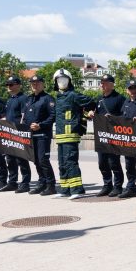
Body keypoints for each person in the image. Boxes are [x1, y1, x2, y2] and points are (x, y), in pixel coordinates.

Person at [52, 68, 94, 199]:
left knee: (71, 162)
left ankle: (77, 190)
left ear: (69, 81)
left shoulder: (73, 95)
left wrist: (88, 114)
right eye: (59, 80)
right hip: (60, 135)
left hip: (71, 134)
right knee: (62, 163)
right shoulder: (58, 97)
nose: (61, 82)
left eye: (64, 79)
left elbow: (91, 102)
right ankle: (65, 189)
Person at [88, 74, 125, 197]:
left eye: (104, 82)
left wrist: (114, 118)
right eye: (101, 83)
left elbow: (125, 117)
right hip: (101, 136)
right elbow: (94, 113)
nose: (102, 85)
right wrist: (91, 113)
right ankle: (107, 185)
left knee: (113, 162)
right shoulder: (99, 99)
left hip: (114, 136)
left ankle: (118, 186)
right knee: (102, 162)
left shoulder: (119, 98)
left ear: (111, 84)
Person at [23, 74, 56, 195]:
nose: (35, 85)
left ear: (43, 84)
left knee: (43, 160)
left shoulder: (48, 99)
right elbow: (25, 117)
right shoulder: (29, 99)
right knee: (36, 160)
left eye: (37, 83)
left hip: (43, 135)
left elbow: (53, 116)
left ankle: (51, 185)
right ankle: (42, 183)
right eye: (32, 83)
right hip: (31, 136)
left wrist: (40, 125)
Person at [1, 75, 31, 193]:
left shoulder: (23, 98)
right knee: (10, 159)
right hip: (9, 133)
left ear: (18, 85)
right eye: (7, 84)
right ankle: (12, 182)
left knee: (21, 159)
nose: (8, 86)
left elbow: (24, 116)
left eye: (11, 84)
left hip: (18, 133)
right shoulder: (10, 100)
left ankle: (25, 183)